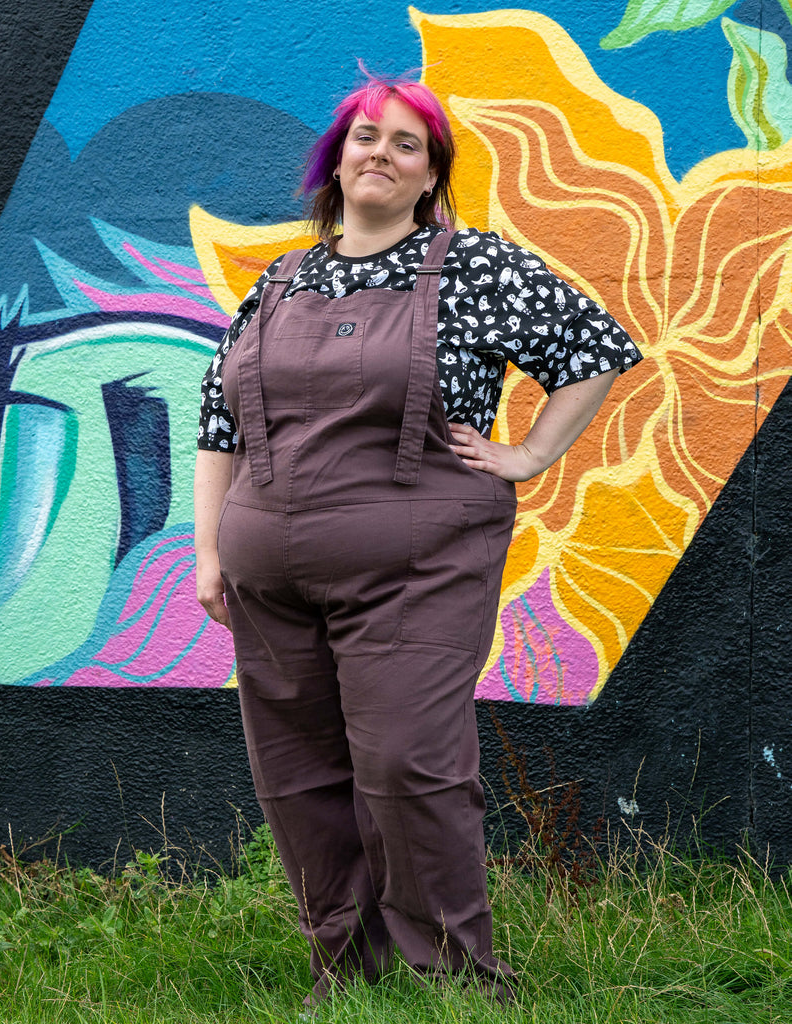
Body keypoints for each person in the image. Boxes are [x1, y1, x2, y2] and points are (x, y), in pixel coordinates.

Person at [195, 71, 642, 1010]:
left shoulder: (478, 269)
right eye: (367, 137)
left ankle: (454, 973)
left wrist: (528, 454)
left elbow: (592, 348)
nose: (381, 155)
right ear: (336, 158)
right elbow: (218, 423)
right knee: (297, 775)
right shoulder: (281, 279)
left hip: (418, 569)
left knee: (409, 762)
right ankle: (347, 971)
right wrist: (208, 552)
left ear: (430, 173)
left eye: (408, 144)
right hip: (268, 577)